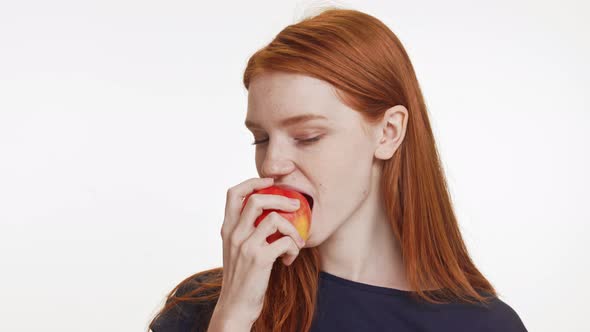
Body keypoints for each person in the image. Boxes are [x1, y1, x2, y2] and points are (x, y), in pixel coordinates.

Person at [148, 7, 528, 332]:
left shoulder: (485, 325)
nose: (272, 164)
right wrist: (233, 315)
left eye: (308, 137)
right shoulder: (203, 306)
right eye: (261, 138)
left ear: (388, 132)